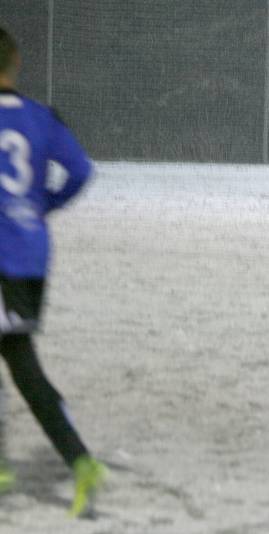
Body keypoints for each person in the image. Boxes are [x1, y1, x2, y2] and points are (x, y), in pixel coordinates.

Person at [0, 26, 105, 517]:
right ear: (14, 64)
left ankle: (79, 460)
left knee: (23, 366)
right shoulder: (41, 118)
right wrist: (42, 205)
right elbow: (81, 170)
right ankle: (73, 461)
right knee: (19, 362)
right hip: (32, 257)